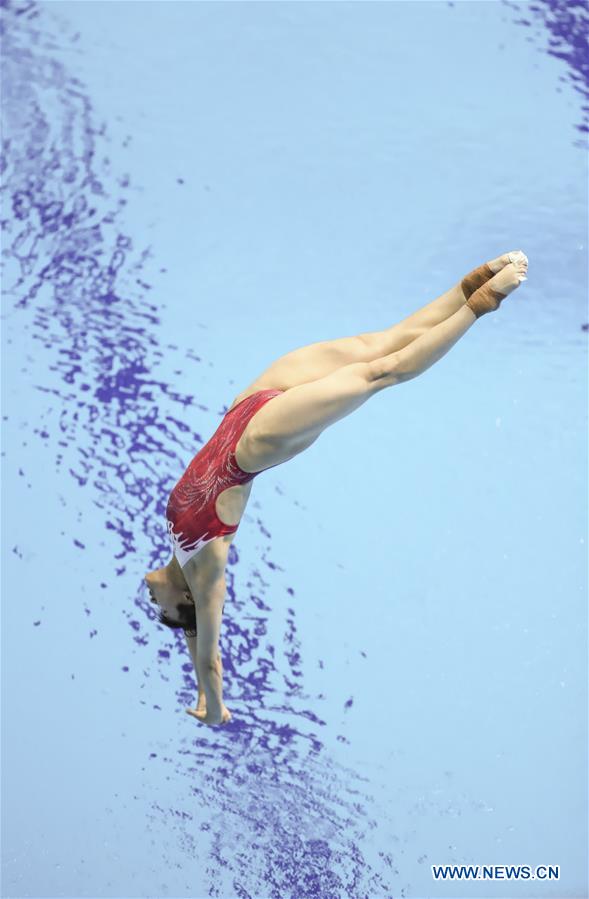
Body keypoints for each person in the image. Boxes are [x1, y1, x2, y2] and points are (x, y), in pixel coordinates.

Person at [145, 250, 529, 726]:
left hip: (250, 406)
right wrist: (214, 707)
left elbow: (188, 632)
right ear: (185, 604)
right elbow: (207, 652)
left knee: (378, 343)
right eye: (162, 612)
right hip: (259, 434)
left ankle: (470, 284)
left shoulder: (178, 559)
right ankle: (483, 301)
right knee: (379, 372)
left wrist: (201, 685)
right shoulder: (206, 573)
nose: (152, 605)